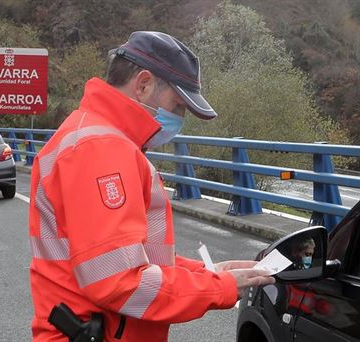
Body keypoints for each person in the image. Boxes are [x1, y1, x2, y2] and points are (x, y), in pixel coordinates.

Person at [28, 31, 275, 341]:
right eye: (178, 104)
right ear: (143, 85)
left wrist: (208, 273)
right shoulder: (102, 150)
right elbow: (119, 280)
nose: (179, 117)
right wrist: (221, 287)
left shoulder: (91, 135)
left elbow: (130, 257)